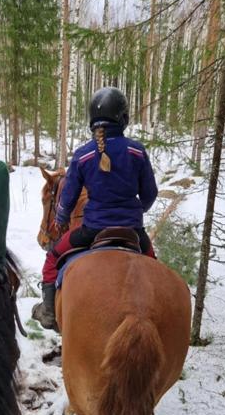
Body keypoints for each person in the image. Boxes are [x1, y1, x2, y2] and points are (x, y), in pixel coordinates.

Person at [32, 86, 158, 330]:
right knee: (154, 266)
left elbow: (67, 199)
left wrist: (61, 218)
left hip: (92, 230)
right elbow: (150, 194)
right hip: (132, 230)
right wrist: (136, 211)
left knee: (52, 257)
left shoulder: (83, 155)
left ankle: (48, 310)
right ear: (123, 119)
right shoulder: (137, 151)